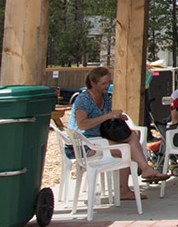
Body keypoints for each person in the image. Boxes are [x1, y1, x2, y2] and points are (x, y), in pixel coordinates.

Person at [70, 66, 169, 198]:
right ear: (93, 84)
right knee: (125, 150)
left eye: (109, 82)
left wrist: (116, 116)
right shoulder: (84, 99)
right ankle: (127, 186)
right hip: (83, 144)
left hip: (99, 139)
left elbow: (105, 115)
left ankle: (144, 169)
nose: (107, 86)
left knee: (132, 136)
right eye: (103, 83)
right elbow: (81, 124)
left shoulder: (105, 97)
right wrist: (107, 116)